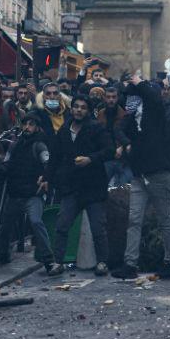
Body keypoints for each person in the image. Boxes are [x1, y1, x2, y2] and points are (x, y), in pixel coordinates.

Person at [113, 74, 170, 280]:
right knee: (134, 219)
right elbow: (119, 128)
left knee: (164, 219)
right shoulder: (132, 118)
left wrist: (140, 82)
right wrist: (126, 143)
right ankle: (130, 263)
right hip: (140, 174)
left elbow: (155, 99)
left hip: (158, 173)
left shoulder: (156, 113)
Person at [48, 95, 113, 276]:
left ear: (88, 110)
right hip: (71, 186)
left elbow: (109, 150)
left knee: (97, 227)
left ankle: (102, 261)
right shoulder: (64, 130)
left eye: (83, 107)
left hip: (93, 186)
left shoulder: (96, 128)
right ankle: (58, 261)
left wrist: (90, 159)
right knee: (62, 224)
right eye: (76, 107)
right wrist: (47, 177)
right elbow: (55, 156)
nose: (78, 110)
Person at [0, 113, 54, 267]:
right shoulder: (15, 145)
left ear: (37, 127)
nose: (27, 127)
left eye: (31, 124)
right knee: (5, 225)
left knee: (36, 222)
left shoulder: (39, 145)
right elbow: (7, 164)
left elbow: (48, 164)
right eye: (25, 124)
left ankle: (47, 258)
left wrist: (45, 177)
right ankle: (2, 253)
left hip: (32, 194)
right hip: (15, 193)